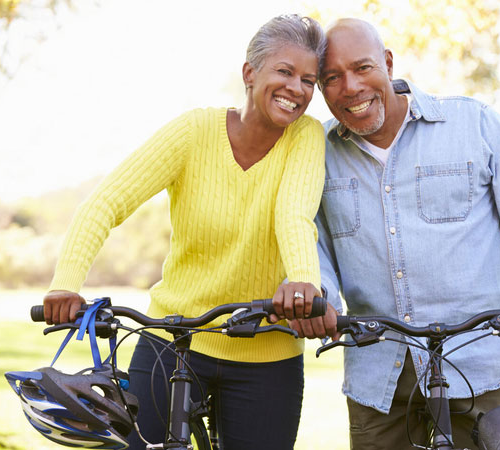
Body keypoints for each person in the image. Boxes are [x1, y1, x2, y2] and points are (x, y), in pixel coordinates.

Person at [290, 18, 500, 450]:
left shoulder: (473, 124)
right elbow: (311, 243)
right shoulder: (319, 153)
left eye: (363, 68)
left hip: (482, 363)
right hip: (380, 375)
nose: (350, 87)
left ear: (388, 64)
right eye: (332, 78)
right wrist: (321, 300)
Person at [41, 14, 326, 449]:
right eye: (284, 72)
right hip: (173, 339)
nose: (297, 89)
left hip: (267, 351)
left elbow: (294, 213)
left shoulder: (306, 137)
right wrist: (66, 285)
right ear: (249, 73)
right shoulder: (194, 132)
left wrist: (303, 283)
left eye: (308, 80)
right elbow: (106, 202)